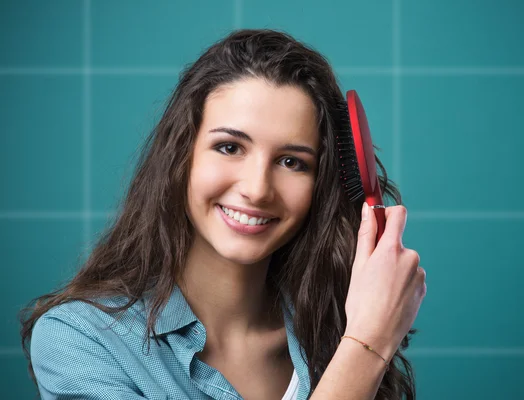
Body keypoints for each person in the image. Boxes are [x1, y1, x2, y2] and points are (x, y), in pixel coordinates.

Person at [20, 29, 426, 400]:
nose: (257, 188)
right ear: (183, 156)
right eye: (230, 147)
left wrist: (358, 336)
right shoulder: (82, 341)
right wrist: (366, 347)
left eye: (291, 161)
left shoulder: (330, 328)